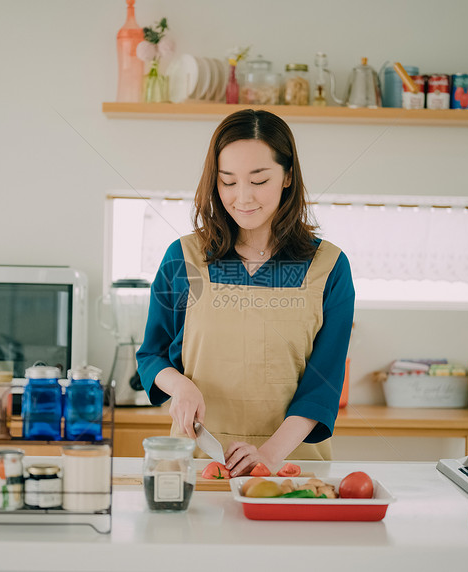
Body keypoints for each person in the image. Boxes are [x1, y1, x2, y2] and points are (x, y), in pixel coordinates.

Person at [136, 109, 354, 477]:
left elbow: (324, 384)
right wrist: (180, 387)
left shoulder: (329, 267)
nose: (242, 197)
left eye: (258, 180)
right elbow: (152, 355)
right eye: (227, 181)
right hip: (198, 464)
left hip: (289, 468)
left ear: (287, 176)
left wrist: (268, 457)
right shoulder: (184, 258)